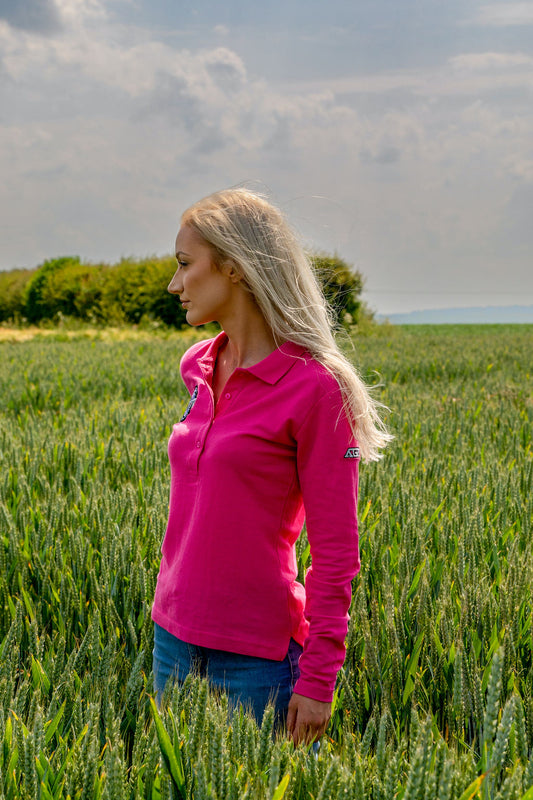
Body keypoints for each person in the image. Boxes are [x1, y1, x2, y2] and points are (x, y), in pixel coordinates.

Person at [151, 188, 391, 745]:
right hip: (171, 637)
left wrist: (320, 678)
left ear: (233, 266)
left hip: (255, 659)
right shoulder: (198, 365)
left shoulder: (314, 389)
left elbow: (336, 554)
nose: (174, 283)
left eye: (186, 265)